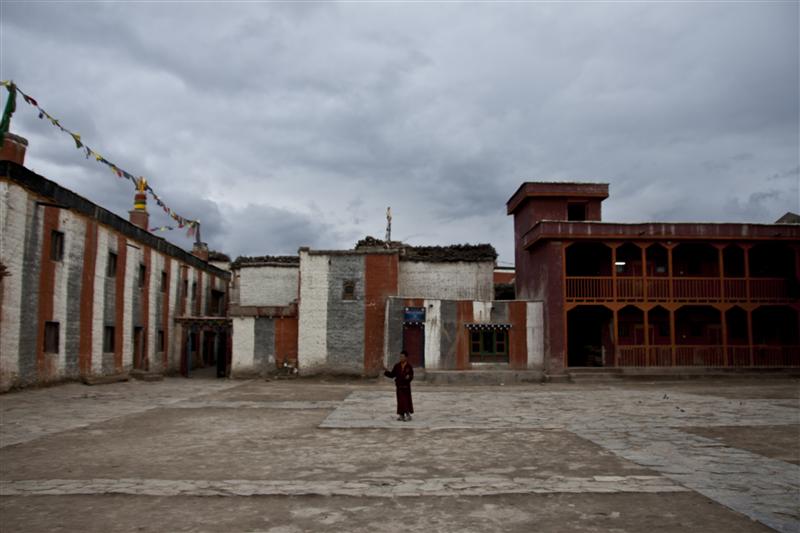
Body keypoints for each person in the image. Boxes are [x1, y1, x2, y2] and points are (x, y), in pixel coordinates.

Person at [382, 350, 414, 421]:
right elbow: (392, 375)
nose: (401, 358)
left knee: (405, 401)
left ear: (406, 358)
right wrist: (386, 371)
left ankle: (408, 415)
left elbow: (411, 376)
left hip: (406, 387)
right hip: (399, 386)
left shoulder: (409, 366)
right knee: (400, 401)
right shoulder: (397, 366)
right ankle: (401, 415)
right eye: (400, 357)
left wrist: (409, 377)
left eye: (402, 357)